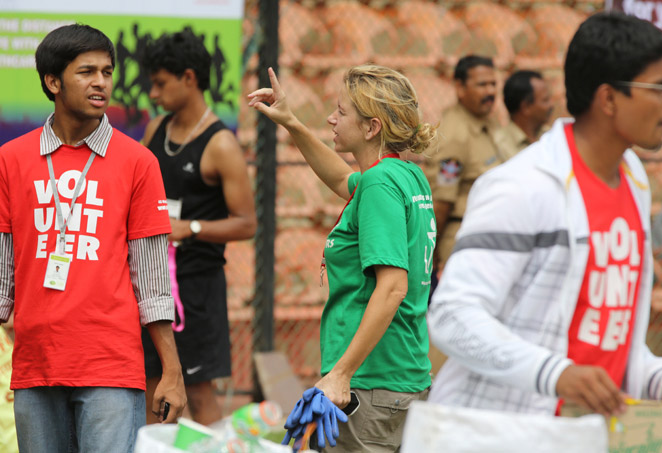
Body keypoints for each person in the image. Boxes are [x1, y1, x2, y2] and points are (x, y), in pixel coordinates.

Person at [428, 11, 662, 416]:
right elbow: (452, 317)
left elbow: (608, 338)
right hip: (504, 434)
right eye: (660, 88)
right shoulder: (524, 186)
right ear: (609, 99)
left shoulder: (632, 179)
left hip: (587, 434)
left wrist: (660, 379)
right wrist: (554, 374)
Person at [0, 24, 186, 452]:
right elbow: (2, 276)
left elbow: (153, 281)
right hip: (35, 366)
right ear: (53, 82)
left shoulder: (138, 162)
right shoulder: (11, 160)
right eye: (86, 72)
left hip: (110, 368)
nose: (101, 82)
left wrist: (171, 371)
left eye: (107, 72)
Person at [248, 65, 436, 451]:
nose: (331, 119)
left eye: (342, 112)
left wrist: (341, 374)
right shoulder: (404, 174)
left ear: (371, 128)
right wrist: (291, 122)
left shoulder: (380, 183)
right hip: (399, 376)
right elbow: (339, 179)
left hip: (371, 383)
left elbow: (393, 287)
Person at [140, 29, 256, 426]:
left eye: (160, 84)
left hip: (197, 287)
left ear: (188, 78)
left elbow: (247, 224)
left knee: (199, 391)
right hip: (151, 281)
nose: (153, 94)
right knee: (152, 385)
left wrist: (189, 227)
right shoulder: (156, 130)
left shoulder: (220, 143)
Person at [422, 55, 503, 277]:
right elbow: (441, 203)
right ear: (460, 88)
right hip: (465, 242)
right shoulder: (455, 135)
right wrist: (432, 254)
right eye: (482, 85)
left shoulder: (486, 122)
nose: (490, 91)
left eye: (493, 84)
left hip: (489, 238)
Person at [495, 70, 554, 157]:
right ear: (526, 107)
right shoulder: (499, 144)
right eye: (545, 100)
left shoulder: (551, 135)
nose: (551, 105)